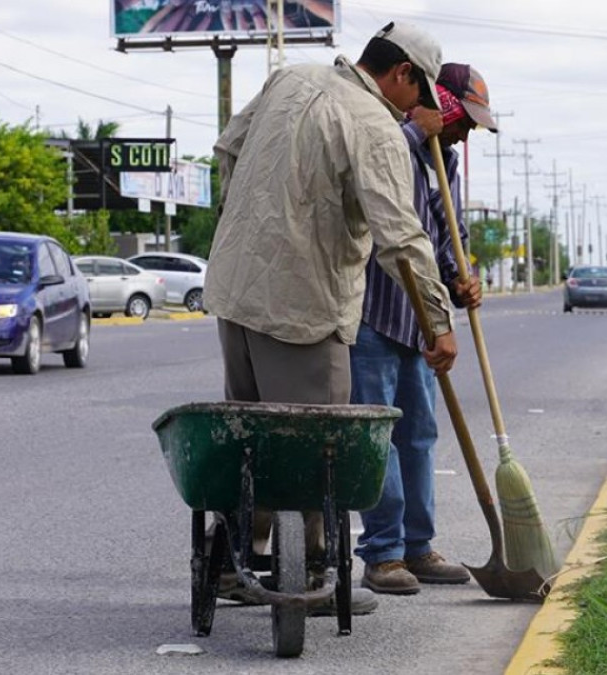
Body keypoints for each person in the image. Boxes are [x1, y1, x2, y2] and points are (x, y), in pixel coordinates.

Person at [204, 22, 460, 615]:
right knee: (313, 449)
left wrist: (245, 222)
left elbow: (228, 149)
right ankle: (311, 578)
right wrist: (437, 322)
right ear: (401, 74)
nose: (416, 106)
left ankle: (233, 564)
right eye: (419, 92)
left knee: (249, 441)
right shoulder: (373, 124)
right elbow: (401, 237)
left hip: (236, 290)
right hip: (303, 303)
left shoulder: (289, 79)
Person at [352, 63, 498, 595]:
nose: (469, 132)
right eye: (466, 120)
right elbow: (376, 198)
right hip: (374, 311)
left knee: (419, 436)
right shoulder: (388, 138)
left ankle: (418, 546)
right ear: (443, 108)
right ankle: (384, 553)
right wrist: (416, 133)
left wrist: (464, 278)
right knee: (380, 440)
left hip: (421, 318)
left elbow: (445, 230)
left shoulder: (445, 161)